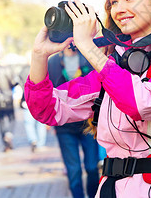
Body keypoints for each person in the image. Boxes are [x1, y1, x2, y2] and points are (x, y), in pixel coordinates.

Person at [24, 0, 151, 197]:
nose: (119, 8)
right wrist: (39, 55)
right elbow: (46, 109)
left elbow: (140, 104)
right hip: (110, 189)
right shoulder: (111, 69)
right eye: (113, 2)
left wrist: (88, 47)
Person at [48, 47, 99, 198]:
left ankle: (93, 195)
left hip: (87, 122)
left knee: (91, 167)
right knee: (74, 169)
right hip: (64, 125)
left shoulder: (88, 57)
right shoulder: (54, 61)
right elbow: (49, 89)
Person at [0, 64, 20, 152]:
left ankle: (5, 141)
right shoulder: (8, 70)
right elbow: (14, 82)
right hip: (8, 96)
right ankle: (8, 134)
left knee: (1, 120)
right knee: (11, 118)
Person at [19, 64, 47, 152]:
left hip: (27, 100)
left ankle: (33, 140)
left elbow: (19, 85)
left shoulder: (22, 71)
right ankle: (40, 143)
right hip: (40, 100)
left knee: (29, 123)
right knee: (41, 123)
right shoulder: (41, 69)